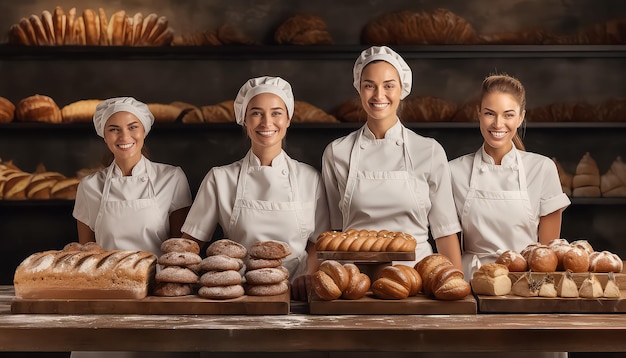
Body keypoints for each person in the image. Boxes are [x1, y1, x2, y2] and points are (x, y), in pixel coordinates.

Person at [181, 76, 330, 301]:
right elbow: (189, 246)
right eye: (256, 113)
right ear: (244, 119)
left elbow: (318, 243)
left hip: (297, 296)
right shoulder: (220, 179)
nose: (266, 122)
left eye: (277, 112)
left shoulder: (310, 178)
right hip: (239, 295)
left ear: (288, 119)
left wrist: (309, 275)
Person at [71, 97, 194, 357]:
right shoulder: (90, 186)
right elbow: (86, 253)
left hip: (158, 297)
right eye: (113, 128)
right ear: (103, 135)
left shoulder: (171, 178)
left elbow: (180, 252)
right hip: (105, 299)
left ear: (144, 130)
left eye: (132, 126)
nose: (124, 135)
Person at [321, 46, 462, 268]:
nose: (379, 95)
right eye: (369, 86)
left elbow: (444, 231)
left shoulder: (429, 151)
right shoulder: (337, 152)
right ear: (359, 88)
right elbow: (333, 232)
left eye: (388, 86)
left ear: (402, 89)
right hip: (355, 278)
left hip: (417, 274)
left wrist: (457, 286)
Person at [448, 74, 571, 280]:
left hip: (526, 285)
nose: (498, 124)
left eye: (508, 115)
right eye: (489, 113)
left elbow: (547, 255)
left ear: (521, 117)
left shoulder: (542, 168)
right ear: (478, 113)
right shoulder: (454, 171)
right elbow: (448, 244)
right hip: (473, 282)